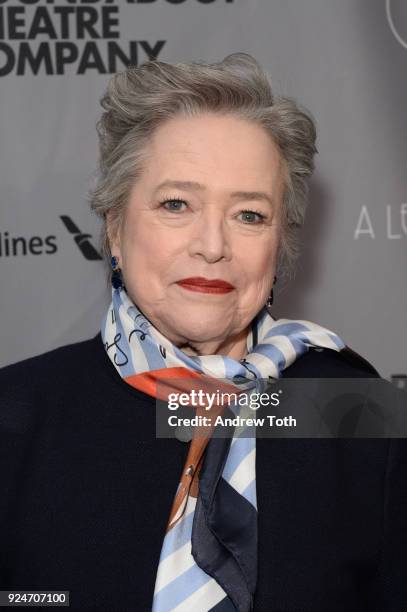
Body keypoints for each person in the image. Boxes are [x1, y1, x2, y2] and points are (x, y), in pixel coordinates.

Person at [0, 53, 405, 612]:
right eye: (176, 204)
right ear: (115, 228)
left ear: (281, 245)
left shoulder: (357, 412)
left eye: (249, 215)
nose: (213, 245)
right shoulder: (15, 414)